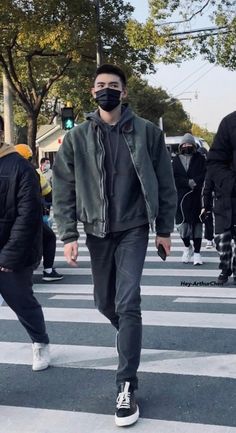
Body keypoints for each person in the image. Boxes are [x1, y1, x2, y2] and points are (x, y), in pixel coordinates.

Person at [53, 64, 177, 427]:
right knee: (104, 302)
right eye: (100, 85)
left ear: (124, 93)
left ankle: (126, 385)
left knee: (128, 302)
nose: (106, 90)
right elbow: (63, 188)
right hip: (96, 230)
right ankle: (130, 338)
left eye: (113, 85)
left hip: (134, 228)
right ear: (93, 93)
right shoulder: (77, 138)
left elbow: (165, 182)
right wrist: (69, 235)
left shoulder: (148, 133)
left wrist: (164, 230)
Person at [0, 116, 50, 371]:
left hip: (13, 252)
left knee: (21, 301)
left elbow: (28, 215)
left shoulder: (20, 167)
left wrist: (9, 256)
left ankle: (40, 342)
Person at [14, 144, 63, 282]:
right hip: (29, 216)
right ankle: (48, 271)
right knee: (49, 238)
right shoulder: (34, 172)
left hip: (9, 217)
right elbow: (48, 193)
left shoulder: (4, 169)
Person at [207, 110, 236, 284]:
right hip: (226, 199)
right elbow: (214, 163)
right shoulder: (230, 122)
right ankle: (225, 269)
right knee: (223, 241)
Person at [172, 133, 206, 265]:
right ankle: (187, 247)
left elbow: (205, 174)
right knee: (182, 226)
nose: (187, 146)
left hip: (197, 197)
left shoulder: (200, 159)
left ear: (194, 145)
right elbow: (173, 177)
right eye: (184, 144)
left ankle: (197, 253)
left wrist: (196, 182)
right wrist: (187, 182)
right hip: (181, 198)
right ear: (181, 146)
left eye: (189, 144)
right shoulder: (176, 160)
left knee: (197, 225)